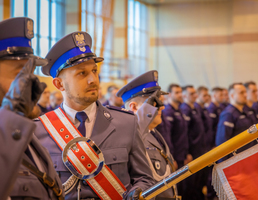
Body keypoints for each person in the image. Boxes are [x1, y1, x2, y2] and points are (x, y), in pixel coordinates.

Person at [34, 31, 155, 199]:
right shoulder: (38, 131)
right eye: (82, 73)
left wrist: (137, 192)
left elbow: (145, 179)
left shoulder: (126, 123)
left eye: (94, 70)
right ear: (59, 84)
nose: (93, 80)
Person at [0, 17, 63, 200]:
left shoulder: (27, 132)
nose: (31, 82)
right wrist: (13, 115)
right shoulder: (13, 128)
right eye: (20, 72)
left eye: (30, 71)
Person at [117, 70, 180, 200]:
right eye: (154, 103)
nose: (162, 107)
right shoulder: (130, 137)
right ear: (133, 107)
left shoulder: (154, 134)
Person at [160, 83, 191, 198]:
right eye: (176, 92)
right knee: (176, 188)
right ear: (169, 95)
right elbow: (167, 137)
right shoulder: (168, 112)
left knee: (184, 186)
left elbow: (184, 135)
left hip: (182, 154)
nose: (180, 95)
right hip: (174, 156)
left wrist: (186, 153)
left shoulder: (180, 111)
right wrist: (171, 157)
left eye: (180, 92)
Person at [215, 83, 257, 161]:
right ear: (232, 95)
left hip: (248, 156)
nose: (245, 95)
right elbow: (222, 143)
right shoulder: (228, 114)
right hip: (236, 160)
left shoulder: (243, 112)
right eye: (241, 93)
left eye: (245, 92)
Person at [180, 85, 207, 200]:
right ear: (185, 96)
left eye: (195, 93)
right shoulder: (185, 109)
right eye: (192, 94)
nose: (195, 95)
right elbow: (185, 134)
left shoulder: (195, 108)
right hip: (192, 151)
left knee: (199, 181)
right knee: (190, 183)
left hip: (199, 149)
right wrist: (187, 152)